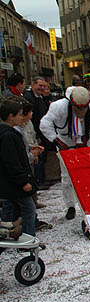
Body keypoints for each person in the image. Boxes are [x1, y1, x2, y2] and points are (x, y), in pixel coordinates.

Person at [39, 86, 90, 220]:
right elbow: (45, 124)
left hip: (86, 141)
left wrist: (88, 136)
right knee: (67, 177)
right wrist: (56, 141)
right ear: (72, 103)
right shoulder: (58, 107)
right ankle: (70, 206)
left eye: (84, 108)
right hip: (65, 142)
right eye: (78, 108)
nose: (81, 111)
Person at [0, 99, 41, 238]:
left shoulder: (7, 133)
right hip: (15, 184)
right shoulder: (9, 136)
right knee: (28, 209)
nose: (21, 117)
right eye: (19, 114)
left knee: (10, 210)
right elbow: (12, 163)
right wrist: (23, 181)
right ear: (11, 116)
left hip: (8, 184)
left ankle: (7, 237)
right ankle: (28, 239)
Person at [24, 76, 52, 188]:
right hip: (35, 132)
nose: (42, 88)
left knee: (41, 157)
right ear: (33, 84)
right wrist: (36, 134)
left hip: (42, 131)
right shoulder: (29, 97)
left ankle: (40, 180)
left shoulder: (40, 97)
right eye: (40, 85)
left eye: (44, 86)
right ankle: (38, 181)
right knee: (37, 159)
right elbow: (33, 118)